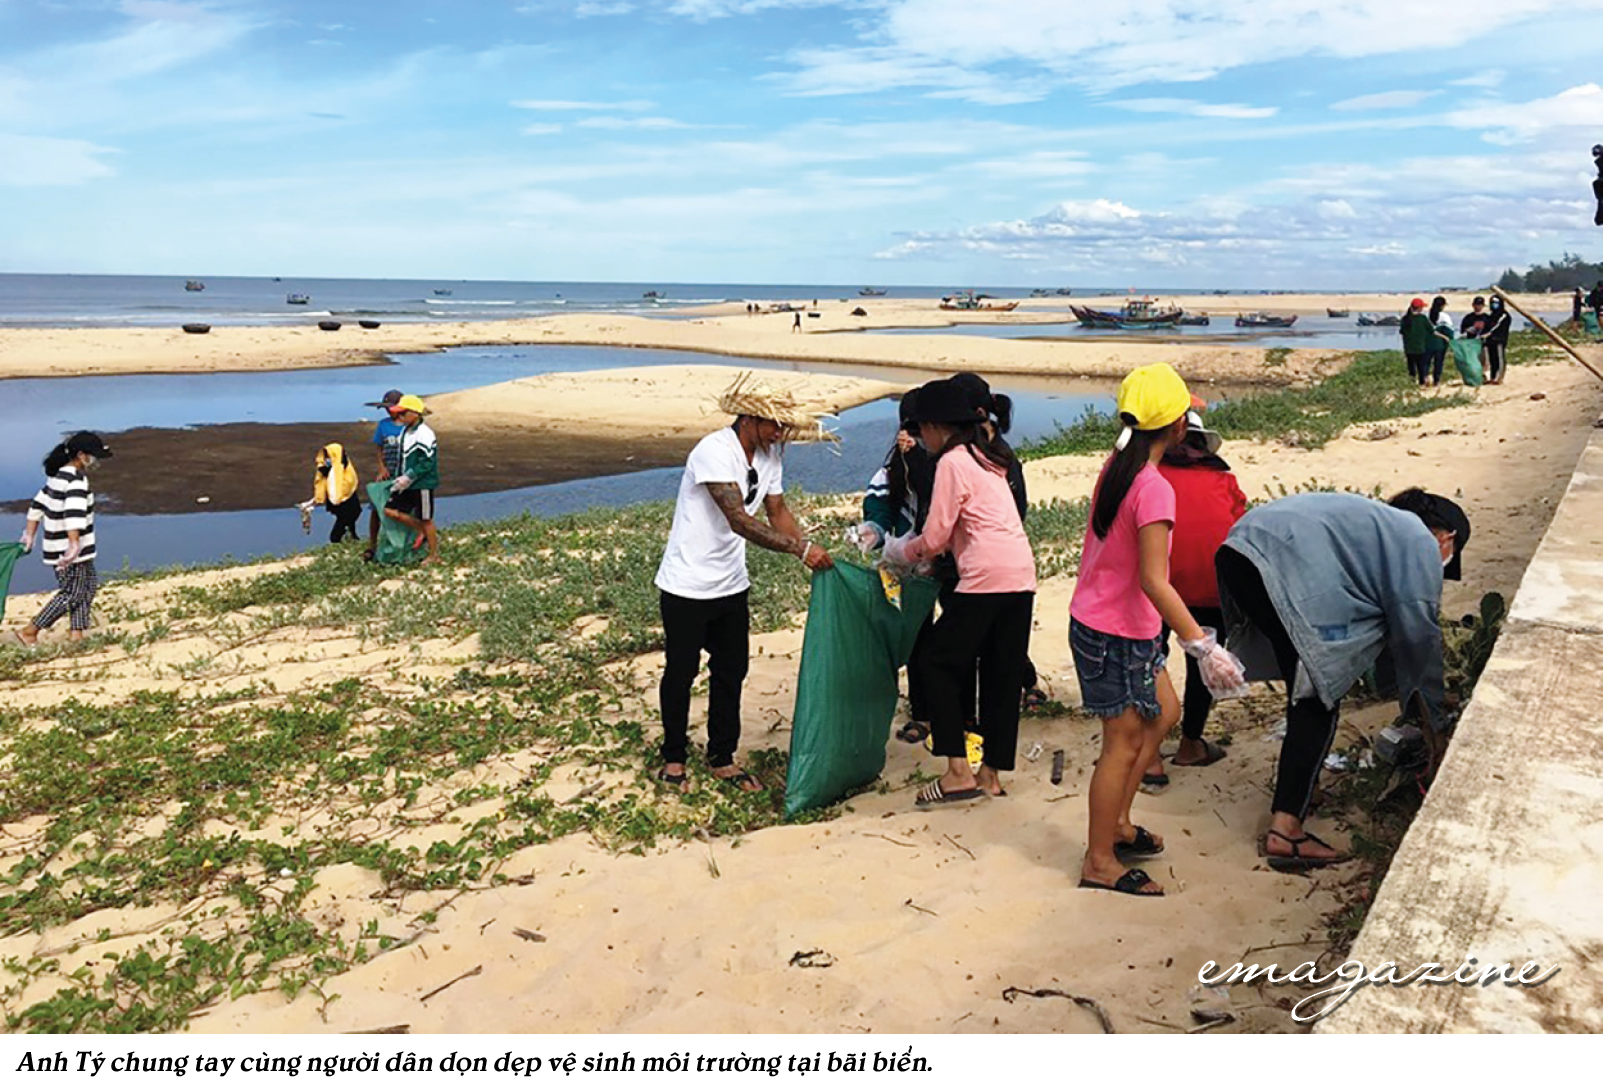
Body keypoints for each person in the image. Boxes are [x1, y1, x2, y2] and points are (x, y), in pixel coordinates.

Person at [1218, 488, 1469, 870]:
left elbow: (1390, 628)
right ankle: (1286, 830)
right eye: (1446, 561)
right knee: (1320, 691)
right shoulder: (1418, 541)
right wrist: (1432, 719)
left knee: (1306, 679)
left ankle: (1305, 789)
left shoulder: (1379, 529)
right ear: (1446, 537)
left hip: (1243, 549)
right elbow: (1418, 637)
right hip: (1279, 564)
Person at [1068, 364, 1247, 896]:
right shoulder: (1152, 487)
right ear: (1177, 427)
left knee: (1165, 713)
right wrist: (1201, 644)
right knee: (1120, 746)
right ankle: (1100, 860)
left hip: (1124, 628)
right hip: (1113, 633)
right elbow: (1153, 579)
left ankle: (1119, 823)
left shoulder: (1116, 467)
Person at [654, 374, 834, 792]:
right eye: (774, 425)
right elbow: (739, 519)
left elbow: (777, 510)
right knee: (681, 672)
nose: (780, 433)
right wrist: (797, 551)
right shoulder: (713, 452)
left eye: (784, 426)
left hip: (732, 585)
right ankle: (675, 758)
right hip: (687, 585)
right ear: (749, 419)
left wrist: (807, 544)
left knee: (732, 670)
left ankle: (722, 756)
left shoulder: (770, 456)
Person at [884, 378, 1036, 805]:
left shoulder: (952, 461)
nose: (918, 438)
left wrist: (899, 550)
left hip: (984, 578)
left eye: (920, 430)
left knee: (937, 662)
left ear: (935, 426)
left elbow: (934, 537)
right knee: (1002, 674)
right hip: (1020, 576)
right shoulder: (989, 456)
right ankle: (991, 774)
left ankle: (956, 772)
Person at [1144, 400, 1247, 786]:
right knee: (1201, 663)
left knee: (1150, 661)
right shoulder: (1224, 480)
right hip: (1210, 586)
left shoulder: (1151, 476)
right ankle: (1190, 744)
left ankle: (1151, 755)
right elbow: (1236, 525)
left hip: (1158, 585)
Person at [858, 389, 938, 743]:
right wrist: (873, 531)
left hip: (948, 565)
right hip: (908, 568)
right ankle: (923, 713)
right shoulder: (892, 470)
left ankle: (964, 711)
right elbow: (880, 505)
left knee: (954, 637)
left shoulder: (947, 464)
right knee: (918, 638)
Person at [15, 432, 114, 646]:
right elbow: (73, 515)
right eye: (93, 456)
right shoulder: (75, 481)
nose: (95, 461)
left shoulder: (57, 477)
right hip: (69, 549)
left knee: (88, 585)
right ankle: (31, 630)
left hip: (63, 547)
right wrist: (73, 544)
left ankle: (76, 633)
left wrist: (30, 534)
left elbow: (36, 506)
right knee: (73, 592)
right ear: (81, 455)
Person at [383, 394, 440, 565]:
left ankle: (433, 554)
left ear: (414, 413)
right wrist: (400, 478)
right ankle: (422, 532)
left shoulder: (425, 434)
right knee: (390, 510)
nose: (398, 417)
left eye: (402, 413)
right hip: (406, 482)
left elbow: (427, 462)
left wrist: (409, 476)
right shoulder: (406, 431)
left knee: (426, 518)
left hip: (422, 483)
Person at [364, 389, 406, 562]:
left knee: (404, 508)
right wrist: (381, 468)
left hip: (404, 473)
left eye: (391, 407)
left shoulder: (408, 425)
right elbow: (379, 449)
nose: (389, 410)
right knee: (376, 508)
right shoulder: (383, 425)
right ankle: (372, 544)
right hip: (388, 471)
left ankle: (405, 541)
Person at [299, 443, 362, 544]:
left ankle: (351, 536)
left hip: (347, 494)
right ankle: (336, 538)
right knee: (346, 516)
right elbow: (325, 481)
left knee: (353, 513)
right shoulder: (327, 468)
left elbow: (349, 479)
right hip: (337, 497)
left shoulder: (344, 464)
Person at [1399, 298, 1434, 387]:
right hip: (1421, 347)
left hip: (1409, 348)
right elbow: (1431, 330)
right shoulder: (1422, 318)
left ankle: (1412, 383)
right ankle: (1422, 384)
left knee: (1411, 367)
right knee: (1421, 367)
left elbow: (1402, 332)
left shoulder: (1405, 319)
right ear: (1420, 308)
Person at [1483, 296, 1512, 384]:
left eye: (1495, 303)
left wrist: (1488, 333)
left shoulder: (1504, 315)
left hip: (1499, 340)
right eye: (1492, 303)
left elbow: (1496, 326)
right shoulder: (1491, 315)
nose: (1493, 305)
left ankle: (1499, 378)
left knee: (1499, 359)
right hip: (1490, 341)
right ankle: (1493, 377)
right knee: (1492, 359)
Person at [1423, 296, 1451, 388]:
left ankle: (1425, 379)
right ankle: (1436, 381)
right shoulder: (1444, 317)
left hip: (1427, 343)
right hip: (1440, 344)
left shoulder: (1426, 316)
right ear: (1442, 306)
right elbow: (1449, 331)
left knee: (1426, 362)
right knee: (1438, 363)